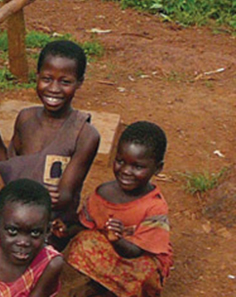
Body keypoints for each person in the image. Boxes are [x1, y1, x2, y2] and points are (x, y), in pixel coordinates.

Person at [0, 40, 100, 249]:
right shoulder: (25, 118)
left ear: (79, 82)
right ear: (37, 76)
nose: (54, 89)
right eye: (47, 79)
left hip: (51, 224)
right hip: (16, 215)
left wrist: (27, 193)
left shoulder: (85, 134)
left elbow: (64, 197)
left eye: (65, 81)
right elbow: (9, 168)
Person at [63, 121, 171, 297]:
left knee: (146, 274)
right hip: (114, 251)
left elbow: (135, 252)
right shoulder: (103, 193)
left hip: (138, 260)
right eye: (121, 161)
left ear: (158, 168)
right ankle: (102, 285)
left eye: (137, 166)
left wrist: (117, 240)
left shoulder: (155, 207)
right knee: (82, 242)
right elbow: (85, 225)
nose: (126, 171)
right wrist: (66, 231)